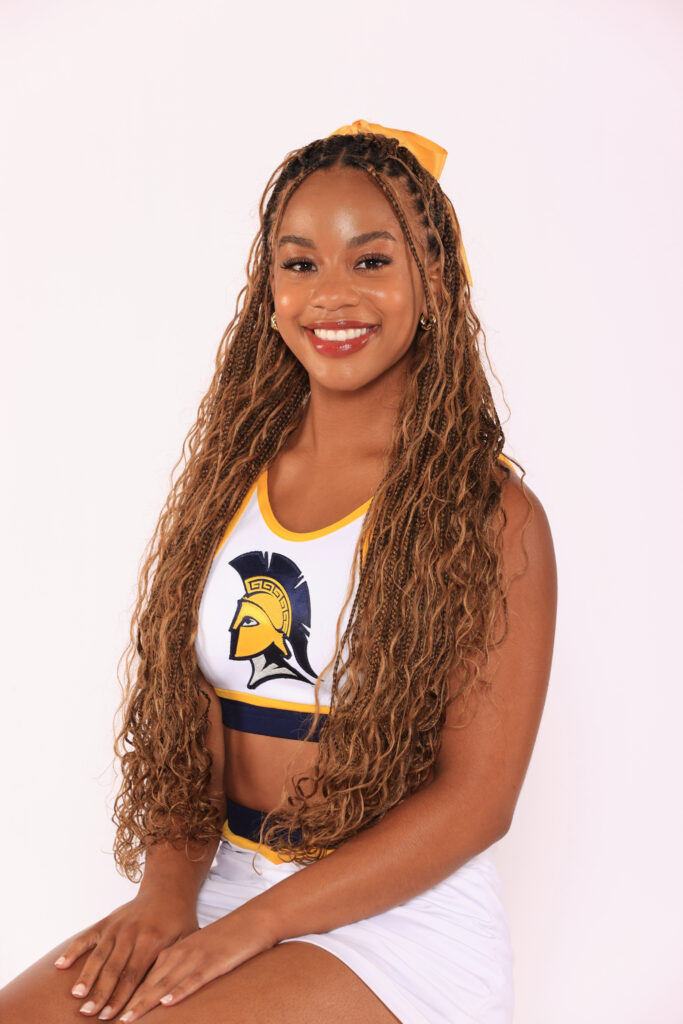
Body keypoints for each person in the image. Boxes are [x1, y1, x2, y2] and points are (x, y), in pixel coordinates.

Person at [0, 120, 557, 1024]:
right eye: (299, 265)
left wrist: (252, 929)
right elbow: (195, 721)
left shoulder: (489, 517)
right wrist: (169, 898)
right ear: (267, 292)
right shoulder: (232, 479)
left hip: (392, 925)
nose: (330, 296)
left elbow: (474, 802)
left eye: (369, 261)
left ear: (435, 280)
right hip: (226, 887)